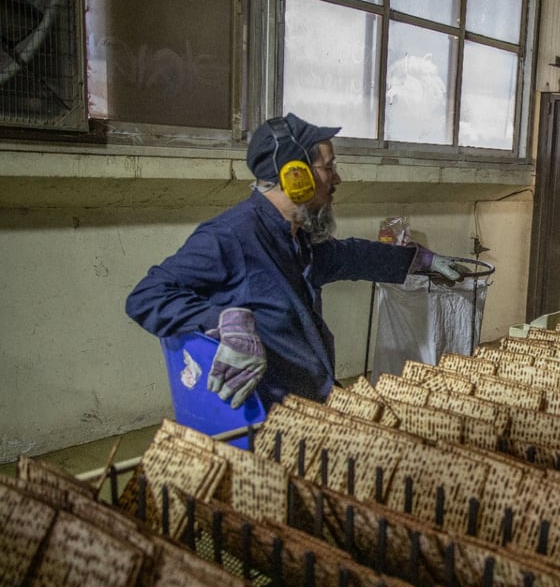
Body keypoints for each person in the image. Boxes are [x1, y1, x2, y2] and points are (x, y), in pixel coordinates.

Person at [126, 113, 463, 409]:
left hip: (311, 398)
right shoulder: (232, 236)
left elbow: (347, 255)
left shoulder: (294, 237)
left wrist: (418, 259)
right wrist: (222, 320)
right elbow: (148, 295)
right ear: (295, 176)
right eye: (329, 168)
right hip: (268, 413)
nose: (337, 179)